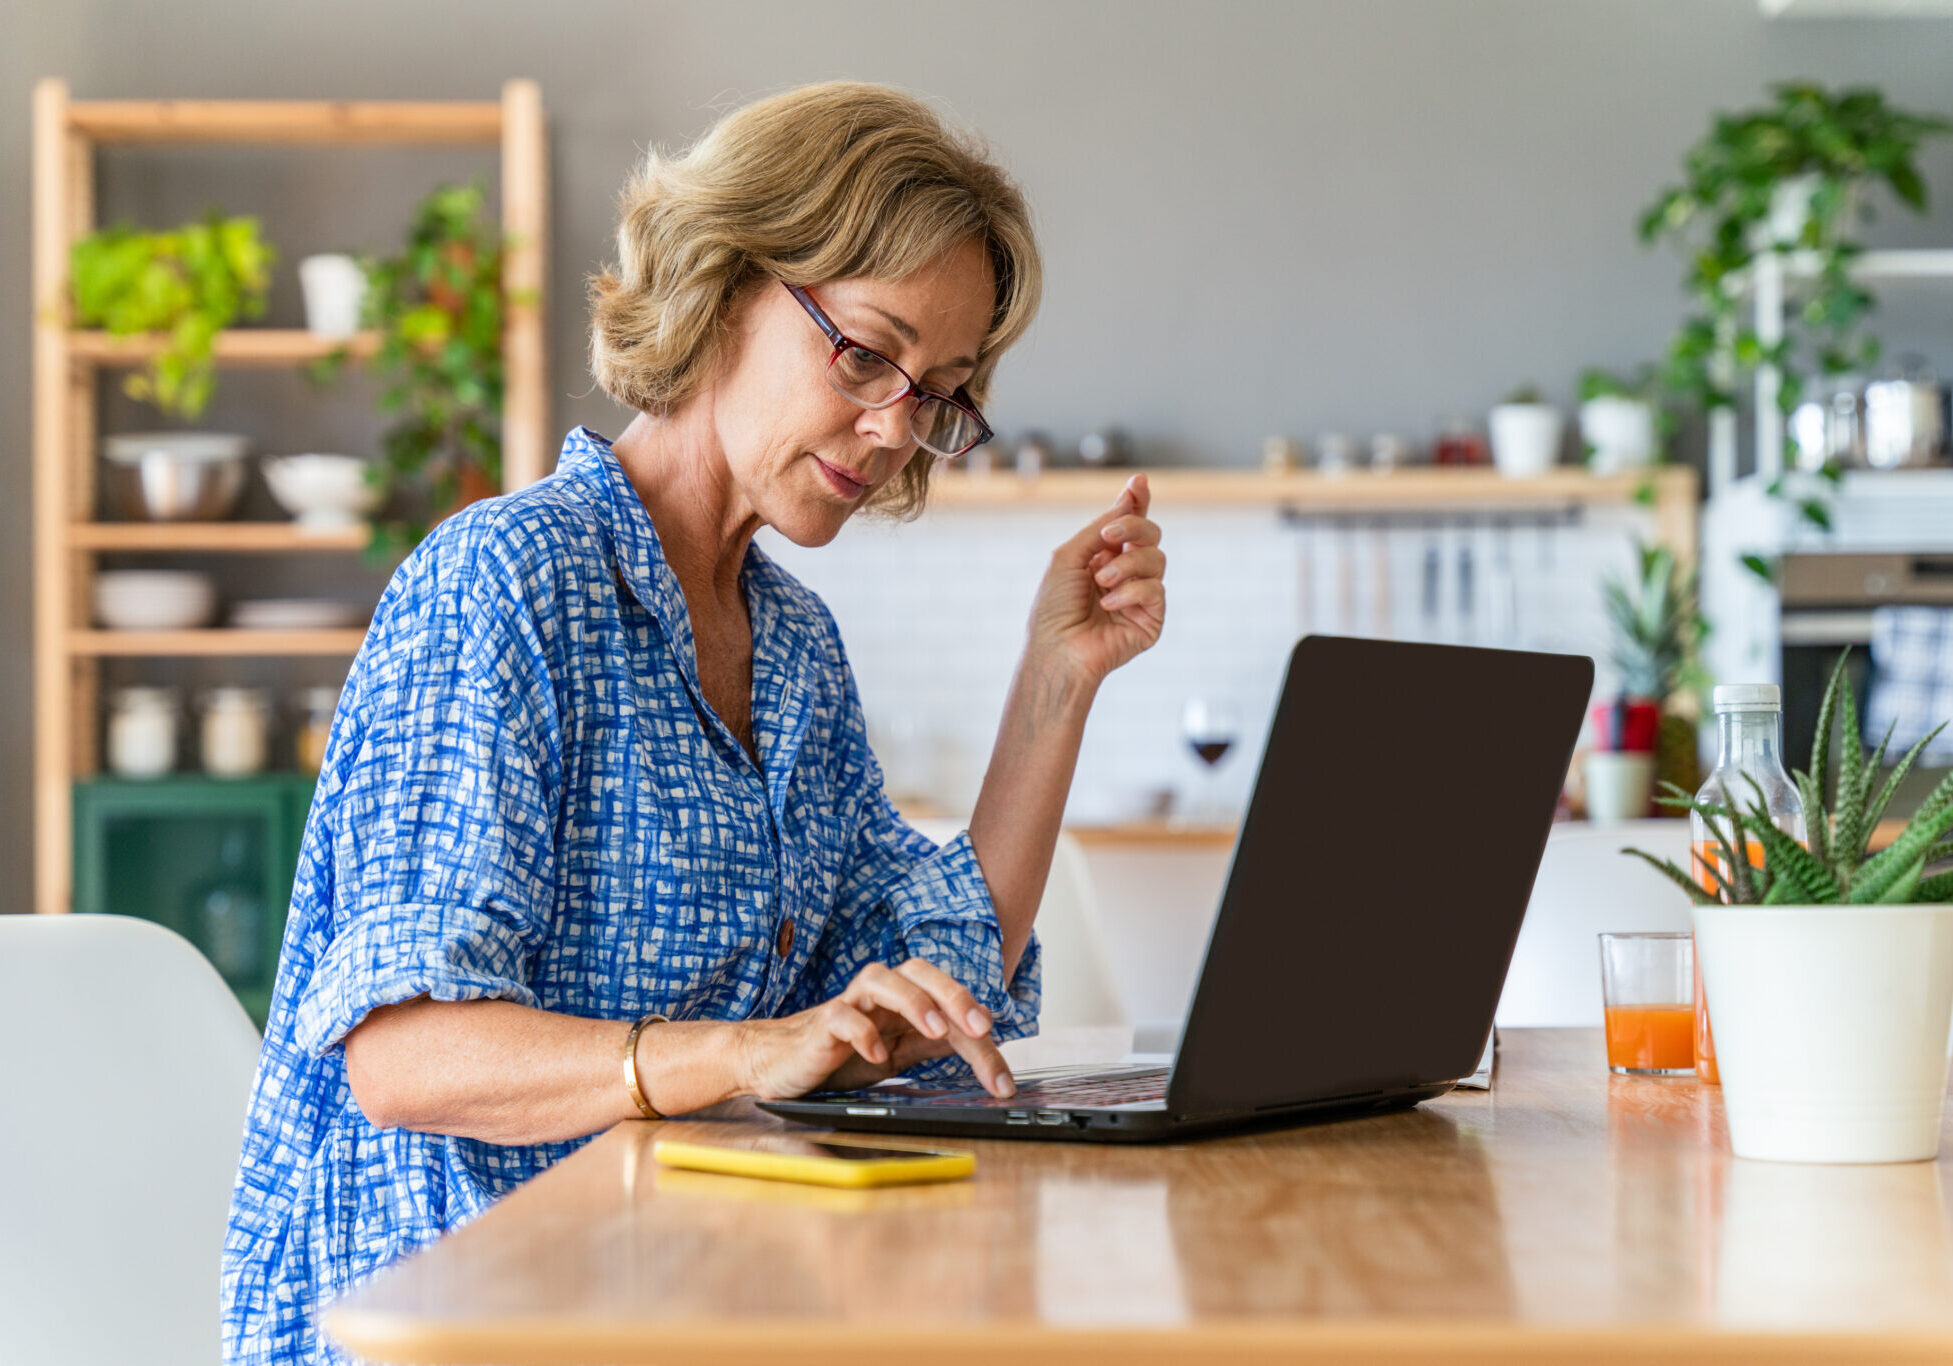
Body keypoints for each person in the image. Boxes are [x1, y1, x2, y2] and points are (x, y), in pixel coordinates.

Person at [220, 81, 1167, 1364]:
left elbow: (941, 971)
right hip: (455, 1317)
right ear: (727, 282)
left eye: (938, 391)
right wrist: (744, 1051)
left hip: (685, 1291)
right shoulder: (504, 583)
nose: (895, 430)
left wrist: (1060, 679)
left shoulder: (793, 648)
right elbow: (408, 1052)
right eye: (865, 352)